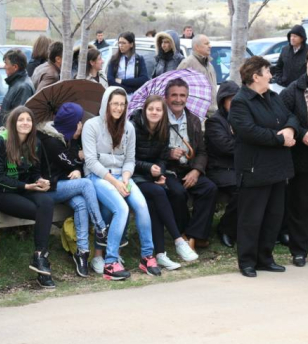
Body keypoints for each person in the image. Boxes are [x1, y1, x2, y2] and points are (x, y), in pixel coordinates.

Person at [229, 56, 298, 278]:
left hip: (277, 168)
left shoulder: (272, 96)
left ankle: (265, 258)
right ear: (255, 76)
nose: (270, 75)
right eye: (267, 71)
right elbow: (249, 131)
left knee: (273, 217)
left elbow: (292, 117)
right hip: (254, 169)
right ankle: (247, 261)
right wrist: (280, 139)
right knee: (251, 218)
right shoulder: (241, 102)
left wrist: (289, 130)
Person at [82, 86, 160, 280]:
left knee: (141, 205)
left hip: (123, 176)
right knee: (122, 209)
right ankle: (110, 262)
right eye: (114, 104)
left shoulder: (129, 127)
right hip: (99, 177)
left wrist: (125, 178)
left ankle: (147, 256)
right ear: (106, 104)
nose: (118, 108)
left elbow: (130, 159)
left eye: (122, 104)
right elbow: (91, 162)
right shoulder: (91, 125)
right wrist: (115, 184)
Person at [38, 103, 108, 277]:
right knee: (86, 184)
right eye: (78, 121)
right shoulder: (51, 141)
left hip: (65, 184)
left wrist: (76, 161)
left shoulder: (65, 136)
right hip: (50, 187)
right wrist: (78, 162)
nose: (81, 124)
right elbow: (70, 162)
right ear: (71, 124)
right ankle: (100, 228)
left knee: (81, 203)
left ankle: (82, 252)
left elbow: (71, 163)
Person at [0, 106, 56, 288]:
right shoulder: (1, 142)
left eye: (28, 119)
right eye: (21, 120)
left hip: (26, 188)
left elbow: (35, 172)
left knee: (47, 202)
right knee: (40, 211)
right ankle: (42, 263)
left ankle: (39, 256)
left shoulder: (36, 143)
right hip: (3, 191)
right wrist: (24, 185)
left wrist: (40, 180)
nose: (25, 123)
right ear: (13, 122)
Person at [130, 96, 198, 270]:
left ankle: (160, 254)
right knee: (159, 193)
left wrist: (159, 172)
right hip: (133, 174)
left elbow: (162, 157)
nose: (154, 112)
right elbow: (129, 159)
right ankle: (178, 240)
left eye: (158, 109)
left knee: (154, 202)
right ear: (145, 110)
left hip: (151, 176)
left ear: (163, 112)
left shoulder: (164, 129)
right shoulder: (133, 127)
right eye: (151, 109)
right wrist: (149, 168)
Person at [280, 46, 308, 267]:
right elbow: (283, 114)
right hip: (303, 157)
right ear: (306, 64)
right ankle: (298, 251)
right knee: (301, 205)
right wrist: (300, 130)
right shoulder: (294, 90)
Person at [163, 78, 218, 251]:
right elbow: (150, 150)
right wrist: (169, 154)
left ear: (187, 97)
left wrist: (196, 170)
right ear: (166, 97)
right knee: (177, 193)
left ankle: (194, 235)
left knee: (209, 188)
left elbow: (202, 151)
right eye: (174, 95)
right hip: (169, 171)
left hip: (188, 169)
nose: (178, 99)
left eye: (182, 95)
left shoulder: (193, 120)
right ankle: (185, 234)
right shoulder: (158, 118)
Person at [204, 80, 240, 248]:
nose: (235, 103)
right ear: (222, 101)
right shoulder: (214, 122)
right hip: (220, 170)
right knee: (241, 191)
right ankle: (226, 229)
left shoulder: (241, 118)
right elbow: (226, 147)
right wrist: (243, 138)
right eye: (231, 99)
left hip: (239, 168)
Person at [177, 34, 217, 113]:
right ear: (196, 47)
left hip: (212, 112)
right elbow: (177, 88)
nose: (210, 46)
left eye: (209, 43)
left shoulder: (210, 65)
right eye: (206, 44)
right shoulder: (187, 64)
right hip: (195, 113)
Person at [0, 49, 35, 128]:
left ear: (15, 67)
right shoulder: (15, 83)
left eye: (6, 64)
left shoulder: (23, 87)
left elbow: (18, 118)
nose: (4, 67)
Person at [107, 32, 149, 100]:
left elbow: (143, 79)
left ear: (131, 44)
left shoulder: (138, 59)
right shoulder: (114, 59)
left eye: (124, 43)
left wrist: (122, 81)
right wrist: (127, 89)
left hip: (134, 97)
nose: (121, 45)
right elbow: (110, 80)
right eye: (119, 43)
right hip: (117, 96)